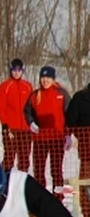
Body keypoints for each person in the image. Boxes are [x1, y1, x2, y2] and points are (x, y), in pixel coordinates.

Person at [25, 66, 71, 197]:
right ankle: (41, 198)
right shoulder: (35, 95)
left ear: (53, 79)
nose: (45, 80)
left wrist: (68, 135)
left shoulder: (62, 94)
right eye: (43, 77)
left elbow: (70, 114)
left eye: (48, 78)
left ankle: (58, 199)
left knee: (56, 170)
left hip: (57, 138)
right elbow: (27, 111)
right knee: (38, 170)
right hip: (40, 139)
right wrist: (31, 123)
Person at [0, 58, 34, 173]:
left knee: (24, 159)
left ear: (22, 71)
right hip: (11, 129)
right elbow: (0, 108)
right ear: (10, 70)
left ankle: (21, 184)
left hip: (25, 129)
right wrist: (5, 125)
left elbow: (32, 107)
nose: (17, 72)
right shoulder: (4, 87)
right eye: (14, 70)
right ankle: (4, 184)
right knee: (9, 157)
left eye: (19, 70)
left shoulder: (27, 86)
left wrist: (32, 123)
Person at [65, 78, 90, 179]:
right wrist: (81, 134)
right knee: (86, 172)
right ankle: (85, 194)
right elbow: (71, 119)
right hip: (86, 143)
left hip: (85, 141)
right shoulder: (79, 97)